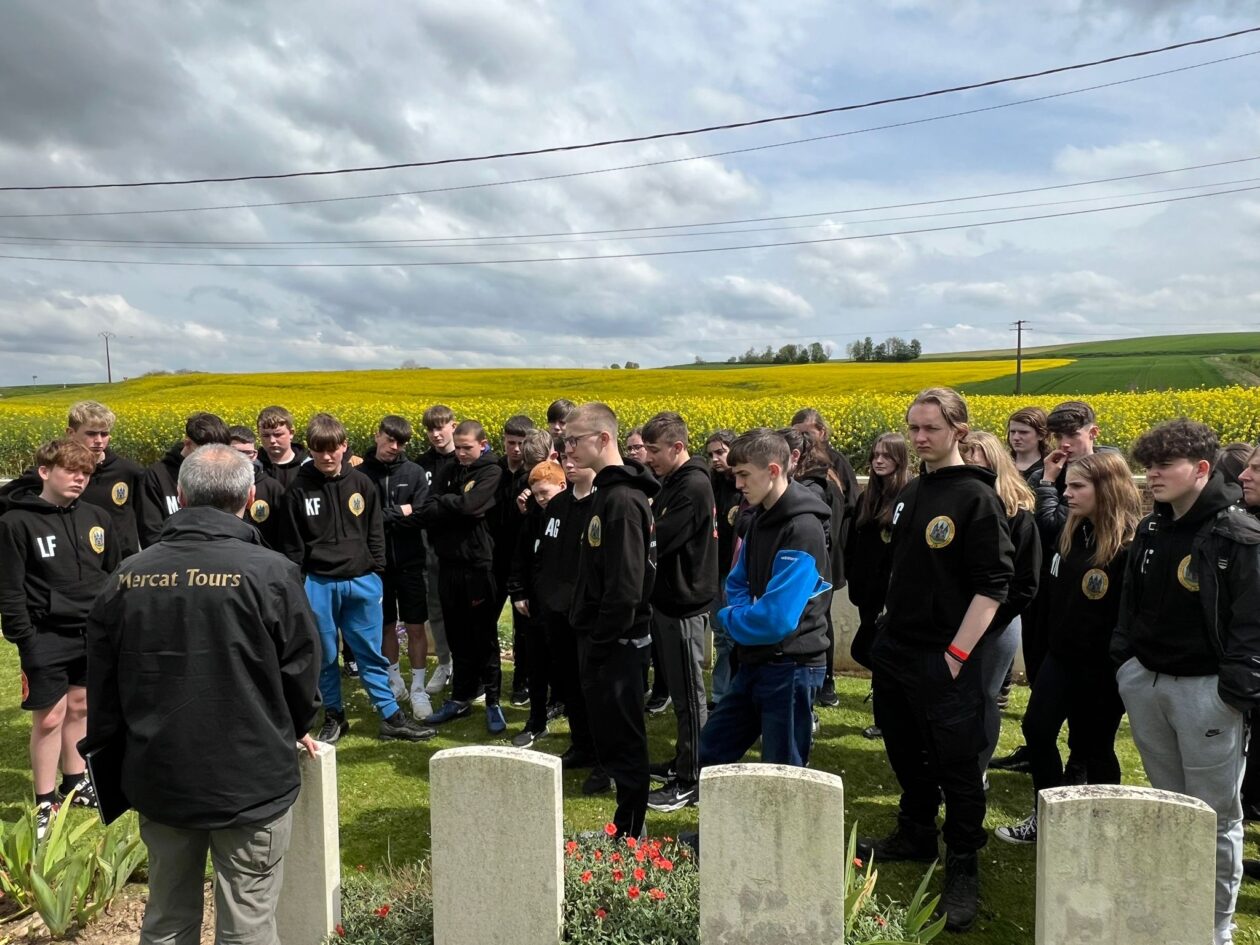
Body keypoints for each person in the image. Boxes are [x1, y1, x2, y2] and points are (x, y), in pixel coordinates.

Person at [79, 443, 322, 945]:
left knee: (167, 918)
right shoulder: (273, 572)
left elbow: (103, 691)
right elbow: (301, 672)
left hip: (161, 772)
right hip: (251, 775)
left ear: (181, 496)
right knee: (249, 924)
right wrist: (295, 728)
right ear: (250, 496)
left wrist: (113, 755)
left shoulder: (125, 577)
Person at [858, 388, 1014, 934]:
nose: (920, 438)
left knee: (958, 766)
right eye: (913, 428)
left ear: (959, 431)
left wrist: (955, 655)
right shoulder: (911, 491)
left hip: (944, 658)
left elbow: (993, 588)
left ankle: (963, 863)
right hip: (896, 650)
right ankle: (916, 831)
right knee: (904, 750)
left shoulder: (977, 499)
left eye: (931, 428)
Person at [1113, 419, 1260, 945]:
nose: (1151, 475)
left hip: (1207, 695)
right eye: (1147, 464)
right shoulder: (1152, 527)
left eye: (1163, 466)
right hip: (1147, 683)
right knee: (1170, 806)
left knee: (1216, 817)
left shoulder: (1237, 534)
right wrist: (1125, 662)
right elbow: (1131, 601)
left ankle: (1214, 929)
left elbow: (1251, 623)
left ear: (1201, 470)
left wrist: (1232, 696)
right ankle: (1174, 908)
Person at [995, 450, 1138, 846]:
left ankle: (1103, 827)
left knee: (1095, 748)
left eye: (1077, 486)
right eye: (1067, 485)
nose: (1067, 494)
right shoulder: (1071, 533)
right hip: (1060, 657)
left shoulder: (1129, 545)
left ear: (1107, 489)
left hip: (1101, 669)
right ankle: (1050, 814)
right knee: (1037, 731)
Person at [278, 413, 434, 743]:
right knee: (324, 655)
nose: (326, 456)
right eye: (319, 450)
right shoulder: (298, 489)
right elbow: (292, 545)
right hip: (318, 583)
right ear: (310, 449)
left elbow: (375, 532)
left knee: (369, 653)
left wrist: (375, 574)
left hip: (363, 581)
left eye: (332, 449)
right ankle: (335, 716)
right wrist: (301, 583)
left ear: (344, 447)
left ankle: (391, 716)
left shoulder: (363, 483)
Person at [0, 440, 119, 836]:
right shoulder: (16, 523)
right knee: (49, 717)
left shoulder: (98, 517)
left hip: (90, 633)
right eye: (71, 471)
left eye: (85, 473)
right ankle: (44, 802)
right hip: (45, 635)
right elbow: (10, 589)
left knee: (82, 706)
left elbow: (113, 573)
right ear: (45, 472)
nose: (79, 480)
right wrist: (24, 637)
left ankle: (75, 782)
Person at [700, 428, 833, 770]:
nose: (738, 484)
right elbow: (737, 581)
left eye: (744, 475)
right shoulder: (758, 519)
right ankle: (719, 826)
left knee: (781, 770)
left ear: (773, 470)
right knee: (712, 751)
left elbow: (776, 619)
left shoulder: (803, 529)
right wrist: (744, 612)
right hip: (756, 660)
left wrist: (731, 619)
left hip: (791, 667)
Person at [565, 402, 658, 839]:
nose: (567, 449)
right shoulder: (606, 493)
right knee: (612, 739)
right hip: (603, 642)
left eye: (574, 440)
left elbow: (625, 589)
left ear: (604, 440)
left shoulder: (621, 500)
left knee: (625, 742)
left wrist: (601, 643)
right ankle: (623, 829)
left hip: (618, 645)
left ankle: (631, 833)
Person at [641, 412, 719, 813]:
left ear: (676, 447)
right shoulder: (674, 481)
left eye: (654, 451)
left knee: (690, 695)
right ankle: (683, 761)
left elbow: (658, 537)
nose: (648, 458)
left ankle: (694, 778)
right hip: (669, 602)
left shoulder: (692, 485)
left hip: (685, 605)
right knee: (679, 689)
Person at [960, 431, 1041, 780]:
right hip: (953, 621)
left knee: (983, 699)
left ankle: (977, 771)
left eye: (980, 465)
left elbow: (1025, 584)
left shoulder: (1018, 515)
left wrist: (987, 619)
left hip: (997, 625)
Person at [418, 420, 507, 733]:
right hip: (448, 565)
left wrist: (448, 503)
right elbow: (427, 507)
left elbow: (471, 505)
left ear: (482, 444)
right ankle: (460, 698)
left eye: (467, 447)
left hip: (478, 566)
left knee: (483, 636)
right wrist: (450, 504)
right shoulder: (450, 468)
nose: (461, 453)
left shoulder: (492, 470)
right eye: (458, 448)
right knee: (456, 635)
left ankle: (493, 700)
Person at [0, 401, 146, 559]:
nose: (99, 440)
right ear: (70, 433)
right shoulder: (47, 474)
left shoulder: (129, 471)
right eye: (91, 434)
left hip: (120, 563)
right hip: (66, 563)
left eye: (104, 434)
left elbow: (145, 519)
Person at [359, 416, 432, 718]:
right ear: (377, 436)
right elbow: (361, 518)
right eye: (389, 439)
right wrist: (397, 511)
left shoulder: (414, 472)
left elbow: (422, 514)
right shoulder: (360, 474)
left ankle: (418, 688)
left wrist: (382, 515)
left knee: (415, 627)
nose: (394, 447)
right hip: (377, 564)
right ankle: (394, 680)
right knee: (386, 626)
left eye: (401, 442)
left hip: (411, 561)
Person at [846, 432, 912, 740]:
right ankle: (888, 713)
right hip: (866, 591)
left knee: (869, 650)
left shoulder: (908, 495)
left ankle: (893, 711)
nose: (878, 461)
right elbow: (855, 542)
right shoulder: (868, 496)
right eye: (875, 455)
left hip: (889, 594)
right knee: (873, 652)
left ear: (900, 459)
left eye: (886, 455)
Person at [507, 460, 569, 747]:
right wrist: (518, 592)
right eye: (537, 494)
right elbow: (519, 557)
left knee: (564, 663)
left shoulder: (571, 514)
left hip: (562, 606)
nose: (542, 499)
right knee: (535, 663)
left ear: (562, 486)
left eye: (546, 493)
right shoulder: (532, 518)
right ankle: (536, 720)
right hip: (534, 604)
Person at [791, 430, 849, 709]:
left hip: (816, 566)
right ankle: (825, 684)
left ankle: (823, 685)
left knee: (815, 624)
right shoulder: (827, 479)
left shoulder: (813, 488)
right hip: (825, 564)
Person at [416, 404, 458, 696]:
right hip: (430, 545)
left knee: (464, 612)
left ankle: (468, 666)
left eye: (440, 427)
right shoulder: (421, 464)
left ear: (453, 426)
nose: (435, 434)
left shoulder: (467, 459)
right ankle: (444, 663)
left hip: (460, 547)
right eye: (430, 429)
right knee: (436, 609)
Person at [141, 412, 231, 546]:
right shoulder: (157, 476)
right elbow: (151, 534)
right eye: (206, 452)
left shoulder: (222, 473)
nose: (214, 459)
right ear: (187, 443)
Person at [496, 414, 536, 707]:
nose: (517, 449)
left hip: (524, 560)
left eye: (522, 443)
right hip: (495, 559)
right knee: (486, 624)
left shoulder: (534, 477)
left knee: (524, 628)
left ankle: (522, 682)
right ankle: (489, 682)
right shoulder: (492, 470)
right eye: (511, 443)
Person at [705, 430, 740, 705]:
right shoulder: (709, 484)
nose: (715, 459)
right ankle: (719, 694)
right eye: (711, 454)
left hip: (736, 572)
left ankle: (734, 693)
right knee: (720, 637)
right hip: (715, 569)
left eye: (720, 452)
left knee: (734, 638)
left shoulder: (742, 486)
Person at [228, 426, 285, 549]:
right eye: (236, 453)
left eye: (248, 453)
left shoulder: (272, 488)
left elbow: (285, 534)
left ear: (255, 455)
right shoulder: (216, 486)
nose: (242, 458)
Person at [256, 405, 310, 489]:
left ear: (291, 433)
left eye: (278, 434)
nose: (272, 440)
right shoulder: (254, 466)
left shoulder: (308, 465)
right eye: (266, 435)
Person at [1007, 406, 1049, 483]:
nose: (1016, 437)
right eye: (1012, 432)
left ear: (1041, 435)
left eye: (1023, 432)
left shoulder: (1049, 468)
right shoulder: (1000, 464)